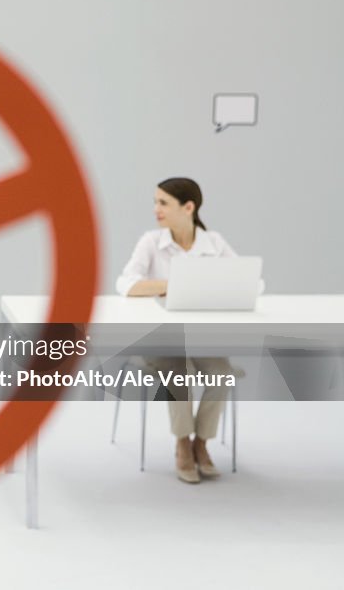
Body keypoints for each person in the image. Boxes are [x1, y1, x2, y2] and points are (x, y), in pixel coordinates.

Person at [115, 177, 237, 484]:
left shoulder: (215, 244)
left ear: (188, 207)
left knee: (221, 373)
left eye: (163, 203)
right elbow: (126, 283)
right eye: (155, 202)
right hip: (163, 342)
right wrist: (175, 284)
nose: (156, 209)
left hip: (204, 339)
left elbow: (244, 281)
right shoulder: (151, 243)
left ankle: (201, 443)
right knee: (178, 374)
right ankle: (183, 443)